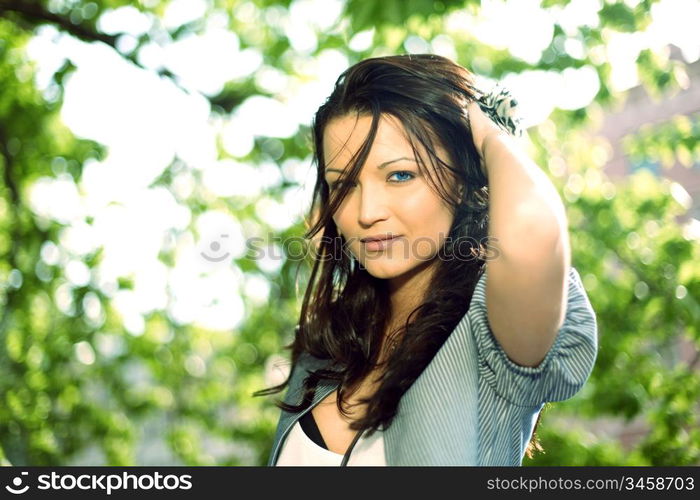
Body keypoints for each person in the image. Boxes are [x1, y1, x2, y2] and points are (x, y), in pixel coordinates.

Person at [254, 53, 598, 466]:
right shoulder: (324, 355)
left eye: (400, 175)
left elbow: (530, 231)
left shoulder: (491, 336)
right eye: (343, 185)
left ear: (465, 179)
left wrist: (488, 134)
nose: (366, 212)